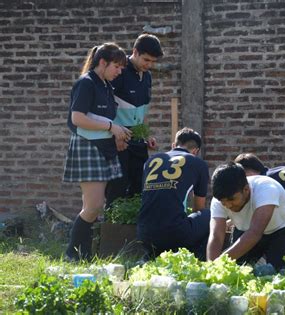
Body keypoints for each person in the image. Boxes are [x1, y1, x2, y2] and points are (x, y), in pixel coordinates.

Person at [63, 43, 131, 260]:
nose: (120, 72)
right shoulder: (86, 83)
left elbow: (103, 118)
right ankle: (71, 254)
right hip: (87, 147)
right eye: (117, 67)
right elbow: (78, 118)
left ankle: (83, 254)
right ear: (103, 62)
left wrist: (118, 134)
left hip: (103, 147)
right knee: (93, 206)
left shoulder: (106, 85)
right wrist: (112, 128)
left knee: (93, 207)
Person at [106, 33, 164, 207]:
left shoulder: (147, 76)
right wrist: (115, 134)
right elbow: (105, 106)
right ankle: (111, 230)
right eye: (146, 60)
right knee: (117, 188)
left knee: (140, 185)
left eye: (153, 62)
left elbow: (140, 112)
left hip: (137, 140)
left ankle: (134, 232)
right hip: (118, 140)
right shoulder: (119, 72)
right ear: (135, 52)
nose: (149, 65)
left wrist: (146, 135)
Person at [207, 162, 285, 270]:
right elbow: (216, 236)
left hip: (281, 228)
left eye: (231, 199)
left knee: (279, 272)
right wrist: (211, 266)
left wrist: (221, 261)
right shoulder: (218, 200)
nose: (227, 205)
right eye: (223, 201)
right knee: (236, 268)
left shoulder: (266, 189)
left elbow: (255, 232)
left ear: (246, 190)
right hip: (246, 230)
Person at [138, 127, 210, 261]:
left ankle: (151, 256)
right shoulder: (198, 163)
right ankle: (197, 257)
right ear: (196, 151)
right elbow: (198, 208)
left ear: (173, 145)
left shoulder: (150, 161)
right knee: (209, 215)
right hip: (174, 234)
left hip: (143, 234)